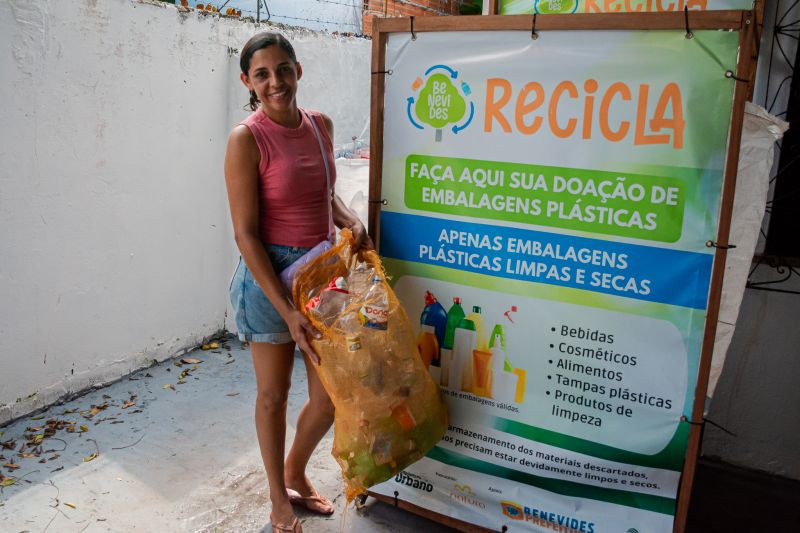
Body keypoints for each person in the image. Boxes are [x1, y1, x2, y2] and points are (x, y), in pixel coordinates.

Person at [224, 32, 371, 533]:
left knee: (329, 398)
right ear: (247, 82)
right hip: (268, 278)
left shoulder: (320, 125)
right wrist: (287, 311)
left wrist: (350, 219)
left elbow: (324, 196)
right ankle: (277, 497)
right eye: (262, 74)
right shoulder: (247, 139)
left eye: (283, 69)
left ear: (298, 70)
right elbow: (245, 234)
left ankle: (295, 470)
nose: (275, 82)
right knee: (274, 395)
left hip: (319, 277)